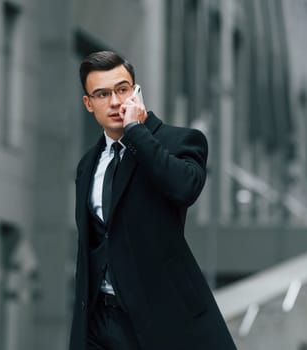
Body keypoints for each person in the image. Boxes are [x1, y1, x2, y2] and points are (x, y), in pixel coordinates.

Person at [68, 50, 236, 350]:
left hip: (161, 319)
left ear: (136, 92)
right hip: (101, 321)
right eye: (103, 94)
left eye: (122, 90)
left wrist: (136, 132)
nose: (116, 102)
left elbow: (185, 188)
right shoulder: (87, 164)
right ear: (88, 103)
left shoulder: (180, 141)